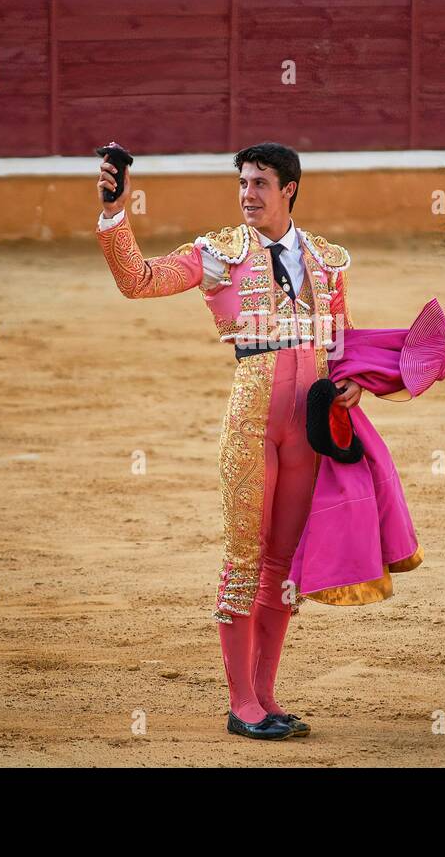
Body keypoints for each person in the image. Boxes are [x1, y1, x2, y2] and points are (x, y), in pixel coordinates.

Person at [95, 141, 358, 740]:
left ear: (288, 188)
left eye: (260, 184)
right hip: (253, 418)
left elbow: (339, 342)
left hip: (307, 427)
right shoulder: (219, 255)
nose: (247, 195)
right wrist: (116, 211)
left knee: (284, 564)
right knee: (244, 555)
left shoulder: (327, 259)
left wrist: (351, 389)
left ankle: (266, 695)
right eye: (242, 183)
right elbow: (138, 281)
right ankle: (241, 703)